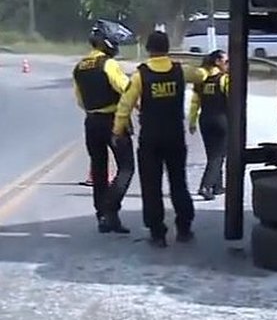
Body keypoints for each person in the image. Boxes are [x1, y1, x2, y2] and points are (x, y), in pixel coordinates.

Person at [112, 31, 206, 247]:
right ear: (167, 48)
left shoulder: (139, 76)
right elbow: (201, 75)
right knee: (178, 183)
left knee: (151, 186)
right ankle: (184, 228)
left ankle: (157, 233)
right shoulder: (180, 71)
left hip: (151, 138)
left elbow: (125, 105)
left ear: (148, 49)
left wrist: (117, 130)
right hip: (174, 136)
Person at [72, 24, 135, 234]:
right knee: (126, 167)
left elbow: (80, 101)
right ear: (106, 42)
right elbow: (126, 88)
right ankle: (110, 209)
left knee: (99, 170)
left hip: (91, 123)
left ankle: (103, 217)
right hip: (113, 121)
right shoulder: (108, 64)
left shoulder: (79, 67)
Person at [189, 50, 230, 201]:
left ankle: (217, 186)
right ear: (218, 62)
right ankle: (205, 186)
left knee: (212, 154)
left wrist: (192, 121)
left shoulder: (201, 80)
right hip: (221, 120)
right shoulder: (224, 79)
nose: (228, 65)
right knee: (218, 156)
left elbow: (195, 102)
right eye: (226, 62)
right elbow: (232, 100)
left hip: (205, 119)